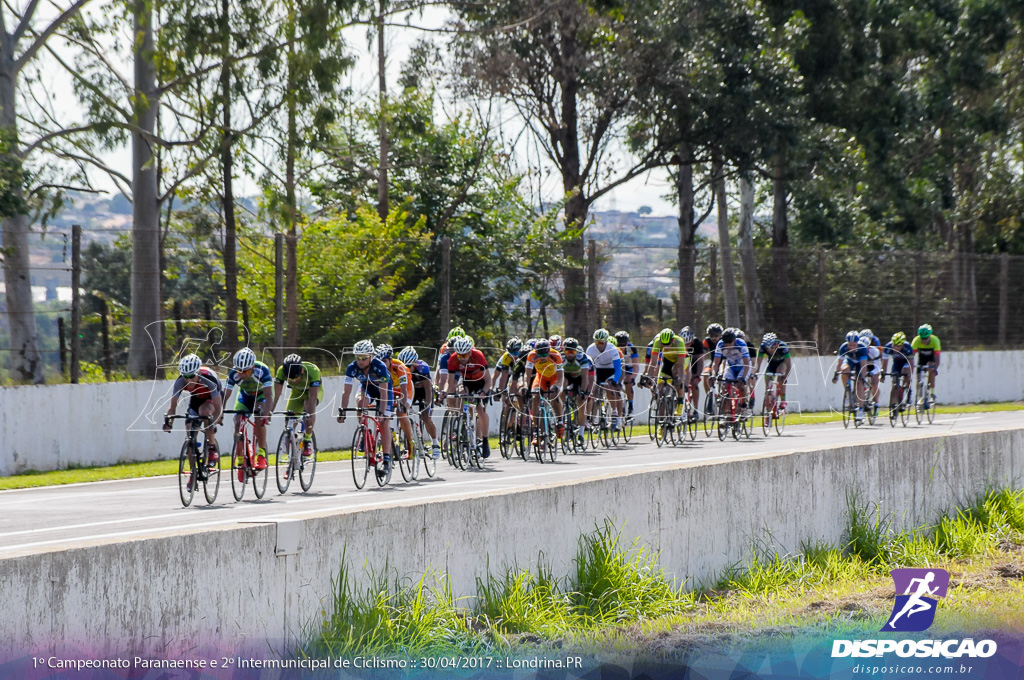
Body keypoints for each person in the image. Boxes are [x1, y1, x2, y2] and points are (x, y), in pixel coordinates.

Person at [164, 354, 224, 479]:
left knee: (204, 412)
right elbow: (172, 406)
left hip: (212, 398)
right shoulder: (180, 381)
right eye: (186, 377)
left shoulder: (209, 379)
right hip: (196, 398)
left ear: (198, 373)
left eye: (191, 376)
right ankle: (193, 472)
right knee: (190, 433)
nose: (188, 380)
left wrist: (216, 420)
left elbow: (218, 408)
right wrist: (169, 422)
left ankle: (212, 448)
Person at [337, 339, 394, 466]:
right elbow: (346, 392)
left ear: (371, 356)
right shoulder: (352, 367)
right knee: (360, 401)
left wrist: (382, 413)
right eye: (358, 358)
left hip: (384, 391)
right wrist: (342, 410)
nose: (360, 361)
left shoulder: (380, 366)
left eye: (364, 358)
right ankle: (364, 430)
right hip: (367, 388)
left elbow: (384, 393)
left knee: (384, 423)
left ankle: (386, 459)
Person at [441, 335, 493, 458]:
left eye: (464, 355)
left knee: (480, 409)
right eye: (459, 355)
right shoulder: (453, 359)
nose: (462, 358)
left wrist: (484, 393)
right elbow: (451, 382)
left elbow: (488, 379)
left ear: (470, 352)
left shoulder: (478, 356)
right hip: (467, 381)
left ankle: (485, 440)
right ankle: (463, 424)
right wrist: (448, 394)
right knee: (461, 395)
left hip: (480, 382)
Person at [223, 347, 274, 472]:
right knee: (237, 420)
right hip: (245, 396)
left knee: (259, 416)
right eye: (239, 371)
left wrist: (266, 413)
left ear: (252, 368)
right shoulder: (233, 374)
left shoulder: (262, 370)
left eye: (245, 372)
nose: (242, 374)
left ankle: (261, 454)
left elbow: (269, 395)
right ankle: (240, 457)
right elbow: (225, 395)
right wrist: (220, 411)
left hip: (260, 396)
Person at [270, 353, 321, 459]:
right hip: (297, 393)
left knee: (308, 407)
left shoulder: (313, 371)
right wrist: (270, 411)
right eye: (291, 379)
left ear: (301, 370)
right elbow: (276, 395)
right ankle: (291, 458)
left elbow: (312, 397)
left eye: (296, 377)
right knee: (289, 418)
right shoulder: (281, 371)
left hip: (312, 392)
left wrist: (309, 415)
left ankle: (307, 441)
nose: (294, 381)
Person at [397, 345, 442, 459]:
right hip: (410, 391)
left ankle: (435, 444)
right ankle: (408, 444)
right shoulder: (400, 369)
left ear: (414, 364)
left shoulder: (422, 368)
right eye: (403, 366)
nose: (405, 369)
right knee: (402, 414)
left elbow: (428, 388)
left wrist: (427, 405)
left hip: (423, 391)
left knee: (426, 417)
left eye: (408, 366)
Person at [524, 338, 566, 444]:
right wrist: (525, 386)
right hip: (540, 378)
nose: (542, 358)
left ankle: (560, 420)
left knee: (554, 395)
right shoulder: (531, 355)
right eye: (540, 355)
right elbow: (527, 374)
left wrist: (557, 386)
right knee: (535, 398)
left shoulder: (556, 355)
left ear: (549, 351)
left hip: (554, 377)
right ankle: (537, 430)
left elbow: (561, 375)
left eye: (544, 355)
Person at [642, 328, 689, 411]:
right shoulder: (657, 342)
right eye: (664, 344)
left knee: (677, 378)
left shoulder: (679, 342)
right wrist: (649, 377)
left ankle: (680, 403)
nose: (666, 346)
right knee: (660, 386)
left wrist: (681, 380)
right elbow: (653, 363)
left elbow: (680, 365)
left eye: (668, 344)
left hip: (681, 360)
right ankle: (663, 416)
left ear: (673, 340)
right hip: (668, 361)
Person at [586, 328, 624, 429]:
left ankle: (615, 412)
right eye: (597, 342)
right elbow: (587, 367)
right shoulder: (590, 349)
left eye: (602, 343)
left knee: (609, 386)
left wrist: (615, 380)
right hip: (597, 369)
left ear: (606, 341)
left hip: (610, 370)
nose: (599, 345)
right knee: (592, 390)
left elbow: (618, 369)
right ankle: (590, 418)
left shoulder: (612, 349)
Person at [560, 336, 595, 446]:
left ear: (576, 351)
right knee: (561, 389)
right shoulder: (560, 357)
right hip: (567, 377)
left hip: (580, 378)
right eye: (567, 351)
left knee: (581, 402)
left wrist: (584, 392)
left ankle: (580, 433)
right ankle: (562, 411)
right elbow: (559, 376)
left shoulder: (582, 358)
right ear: (564, 350)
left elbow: (585, 377)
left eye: (572, 351)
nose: (570, 354)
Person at [710, 328, 751, 414]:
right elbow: (716, 363)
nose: (728, 346)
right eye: (726, 343)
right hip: (731, 366)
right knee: (725, 386)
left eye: (730, 343)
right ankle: (726, 413)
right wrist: (713, 374)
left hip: (743, 366)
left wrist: (743, 378)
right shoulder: (720, 344)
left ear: (734, 340)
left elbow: (747, 364)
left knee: (740, 385)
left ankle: (743, 406)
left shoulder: (741, 344)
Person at [831, 330, 868, 424]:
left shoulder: (862, 348)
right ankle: (848, 393)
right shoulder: (843, 347)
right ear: (847, 343)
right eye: (850, 345)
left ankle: (860, 410)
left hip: (860, 363)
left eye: (854, 345)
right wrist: (836, 374)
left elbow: (864, 366)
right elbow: (839, 363)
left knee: (859, 382)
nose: (852, 347)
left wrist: (862, 378)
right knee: (844, 371)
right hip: (850, 360)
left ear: (857, 343)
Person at [749, 332, 791, 410]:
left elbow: (789, 365)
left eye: (771, 348)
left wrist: (785, 377)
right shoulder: (762, 347)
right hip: (771, 364)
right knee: (768, 385)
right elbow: (758, 364)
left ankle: (783, 400)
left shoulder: (783, 347)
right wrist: (754, 374)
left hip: (781, 363)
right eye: (767, 348)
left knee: (781, 376)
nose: (769, 350)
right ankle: (768, 407)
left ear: (775, 345)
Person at [881, 331, 915, 409]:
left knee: (905, 371)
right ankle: (894, 403)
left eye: (898, 346)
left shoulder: (908, 348)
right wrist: (883, 374)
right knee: (894, 381)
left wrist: (910, 375)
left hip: (906, 363)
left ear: (902, 345)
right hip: (896, 363)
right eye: (894, 345)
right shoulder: (887, 347)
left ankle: (908, 390)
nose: (896, 348)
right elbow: (884, 363)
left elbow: (911, 364)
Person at [911, 324, 942, 403]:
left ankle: (932, 394)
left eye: (926, 338)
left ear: (930, 336)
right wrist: (911, 366)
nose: (924, 340)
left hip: (932, 357)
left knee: (931, 370)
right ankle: (921, 397)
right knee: (918, 378)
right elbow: (911, 357)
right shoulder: (916, 340)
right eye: (922, 338)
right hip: (922, 358)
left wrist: (935, 368)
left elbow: (937, 358)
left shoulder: (935, 341)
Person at [679, 327, 703, 419]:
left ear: (692, 341)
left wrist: (697, 375)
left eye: (688, 343)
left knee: (694, 383)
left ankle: (695, 410)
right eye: (684, 343)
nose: (686, 346)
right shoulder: (677, 344)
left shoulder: (697, 343)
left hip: (694, 364)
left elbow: (700, 361)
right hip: (682, 364)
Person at [615, 331, 640, 419]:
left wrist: (633, 378)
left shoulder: (631, 348)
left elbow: (636, 366)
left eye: (624, 344)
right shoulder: (613, 348)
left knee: (628, 383)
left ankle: (630, 406)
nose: (622, 347)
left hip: (629, 368)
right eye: (620, 344)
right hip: (618, 368)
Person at [701, 323, 724, 393]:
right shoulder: (707, 341)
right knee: (705, 374)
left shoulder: (724, 341)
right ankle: (709, 396)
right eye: (711, 336)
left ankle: (722, 394)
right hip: (713, 363)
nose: (713, 338)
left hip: (724, 363)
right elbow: (703, 355)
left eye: (716, 336)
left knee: (722, 377)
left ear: (721, 335)